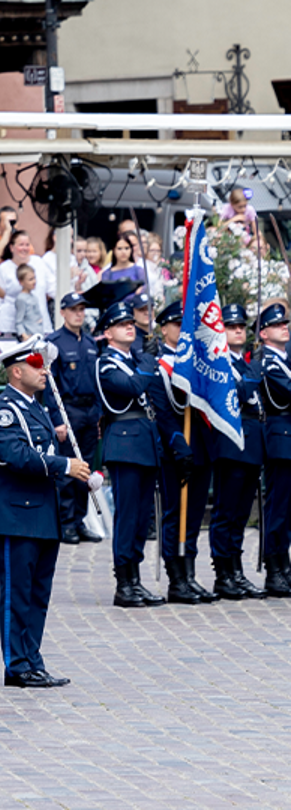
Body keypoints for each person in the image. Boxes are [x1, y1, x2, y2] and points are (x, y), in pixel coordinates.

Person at [0, 337, 86, 689]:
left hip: (43, 513)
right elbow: (17, 456)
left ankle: (32, 659)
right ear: (16, 371)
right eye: (37, 365)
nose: (45, 371)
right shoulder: (3, 411)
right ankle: (17, 665)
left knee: (38, 594)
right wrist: (64, 465)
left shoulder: (36, 408)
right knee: (18, 594)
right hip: (20, 515)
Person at [96, 299, 167, 608]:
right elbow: (133, 386)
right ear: (107, 333)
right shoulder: (107, 363)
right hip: (124, 444)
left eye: (130, 323)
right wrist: (149, 362)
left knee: (141, 517)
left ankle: (135, 579)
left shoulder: (135, 359)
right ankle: (124, 583)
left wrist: (147, 359)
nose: (129, 327)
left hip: (144, 442)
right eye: (121, 324)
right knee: (127, 516)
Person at [205, 303, 267, 601]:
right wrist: (254, 372)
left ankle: (236, 569)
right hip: (230, 443)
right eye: (231, 326)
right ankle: (223, 573)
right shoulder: (219, 364)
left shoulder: (244, 363)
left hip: (252, 443)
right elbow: (239, 393)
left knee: (241, 513)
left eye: (241, 326)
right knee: (226, 512)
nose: (239, 330)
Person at [152, 300, 212, 602]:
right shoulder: (158, 365)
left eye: (185, 325)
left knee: (195, 514)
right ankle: (176, 579)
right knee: (175, 513)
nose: (182, 330)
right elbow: (163, 412)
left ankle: (189, 573)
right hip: (175, 448)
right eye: (177, 325)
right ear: (164, 329)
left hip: (200, 445)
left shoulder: (200, 363)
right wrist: (179, 446)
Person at [46, 293, 105, 546]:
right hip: (68, 410)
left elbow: (97, 382)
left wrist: (99, 416)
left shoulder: (90, 342)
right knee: (69, 469)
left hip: (89, 411)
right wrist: (57, 420)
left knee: (85, 469)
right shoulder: (55, 342)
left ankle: (79, 520)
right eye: (73, 309)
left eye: (81, 309)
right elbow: (49, 385)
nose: (78, 314)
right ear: (63, 312)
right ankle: (66, 522)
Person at [257, 303, 291, 596]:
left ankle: (284, 564)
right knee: (278, 507)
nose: (285, 327)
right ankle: (274, 568)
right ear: (264, 334)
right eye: (277, 325)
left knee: (288, 509)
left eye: (285, 323)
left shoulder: (285, 359)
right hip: (280, 438)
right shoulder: (269, 363)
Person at [0, 230, 50, 321]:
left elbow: (51, 288)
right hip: (12, 322)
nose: (25, 248)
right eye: (21, 245)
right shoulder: (3, 268)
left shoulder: (39, 262)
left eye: (27, 245)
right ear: (12, 248)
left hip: (40, 322)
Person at [6, 266, 52, 338]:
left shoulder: (33, 296)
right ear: (21, 282)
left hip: (38, 334)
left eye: (34, 278)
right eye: (30, 279)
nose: (34, 281)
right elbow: (19, 321)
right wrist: (24, 336)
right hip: (30, 336)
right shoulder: (21, 299)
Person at [219, 187, 266, 255]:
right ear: (232, 205)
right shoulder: (226, 208)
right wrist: (234, 219)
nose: (243, 209)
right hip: (229, 238)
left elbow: (256, 231)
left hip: (245, 238)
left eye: (245, 206)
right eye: (240, 207)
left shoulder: (250, 210)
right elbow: (219, 227)